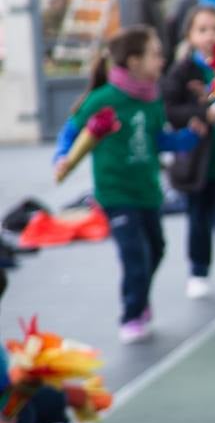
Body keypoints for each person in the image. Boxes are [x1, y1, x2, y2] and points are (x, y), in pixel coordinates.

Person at [53, 26, 203, 342]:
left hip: (147, 191)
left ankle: (140, 296)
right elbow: (71, 131)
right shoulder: (103, 99)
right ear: (133, 61)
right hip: (115, 192)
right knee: (135, 255)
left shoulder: (152, 99)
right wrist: (62, 157)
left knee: (157, 249)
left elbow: (158, 139)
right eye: (155, 55)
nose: (162, 60)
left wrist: (189, 137)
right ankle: (131, 315)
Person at [161, 5, 215, 300]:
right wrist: (202, 113)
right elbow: (171, 108)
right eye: (203, 30)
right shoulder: (183, 71)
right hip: (198, 161)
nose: (211, 35)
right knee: (198, 218)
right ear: (190, 35)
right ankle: (199, 270)